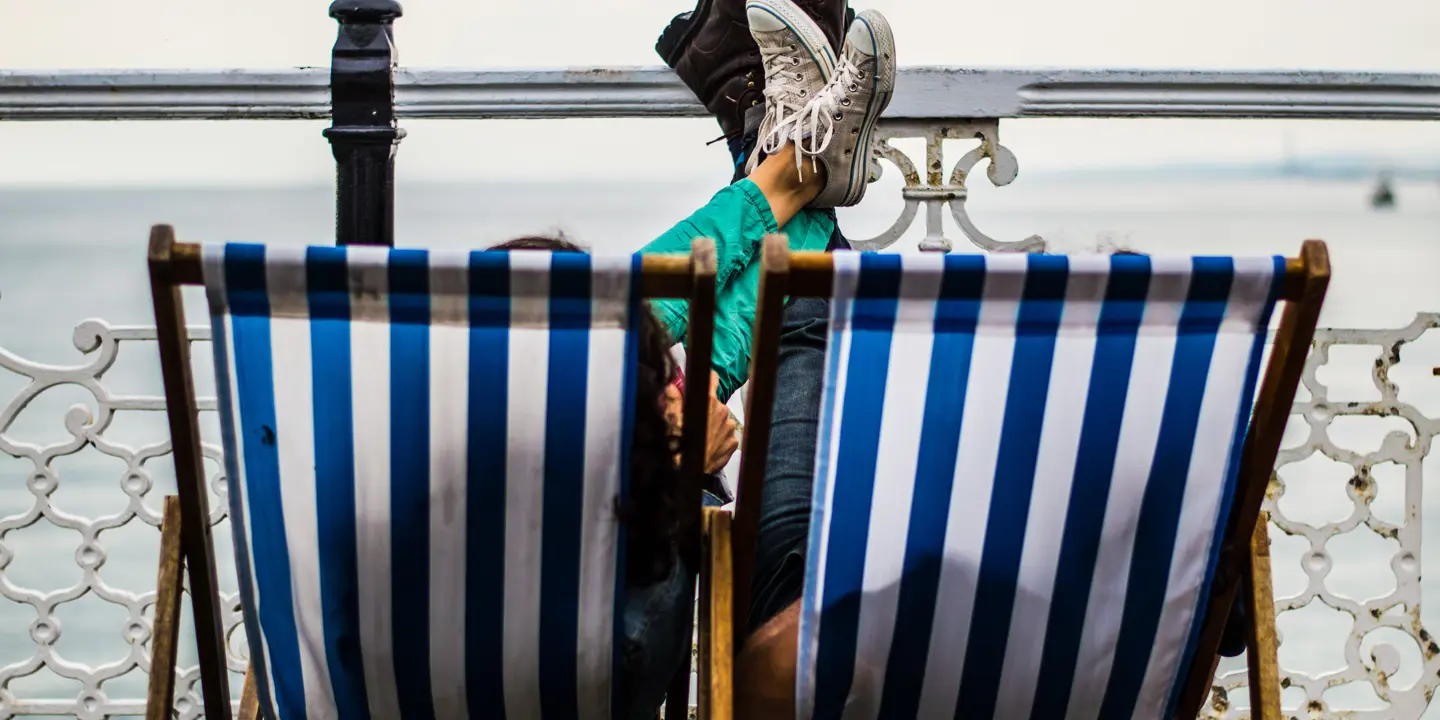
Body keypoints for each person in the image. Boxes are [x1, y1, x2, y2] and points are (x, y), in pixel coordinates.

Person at [492, 1, 895, 714]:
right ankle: (789, 174)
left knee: (593, 319)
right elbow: (645, 644)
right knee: (627, 318)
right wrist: (681, 467)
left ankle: (779, 168)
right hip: (610, 647)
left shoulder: (388, 560)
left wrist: (658, 425)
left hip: (526, 496)